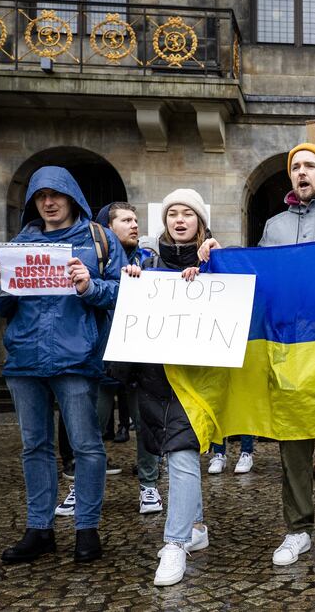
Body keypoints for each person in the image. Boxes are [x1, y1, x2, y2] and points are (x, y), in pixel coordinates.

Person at [198, 143, 315, 565]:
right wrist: (218, 258)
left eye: (309, 165)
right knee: (293, 445)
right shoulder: (275, 226)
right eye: (295, 167)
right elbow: (257, 278)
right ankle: (297, 530)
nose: (300, 172)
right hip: (287, 350)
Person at [0, 166, 126, 564]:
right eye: (40, 196)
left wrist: (90, 286)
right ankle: (39, 529)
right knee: (35, 447)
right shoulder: (19, 245)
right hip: (25, 358)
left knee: (86, 446)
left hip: (76, 357)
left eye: (55, 194)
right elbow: (4, 307)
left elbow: (123, 292)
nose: (48, 202)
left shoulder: (99, 240)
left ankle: (86, 528)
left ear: (71, 196)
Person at [125, 188, 213, 586]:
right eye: (172, 213)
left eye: (187, 213)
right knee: (174, 452)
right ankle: (196, 526)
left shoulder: (214, 258)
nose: (179, 220)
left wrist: (210, 270)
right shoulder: (146, 263)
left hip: (195, 380)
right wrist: (133, 284)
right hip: (156, 377)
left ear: (200, 221)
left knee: (180, 452)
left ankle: (175, 543)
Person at [98, 202, 164, 515]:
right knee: (91, 427)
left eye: (135, 220)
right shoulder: (94, 260)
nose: (135, 225)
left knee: (146, 424)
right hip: (101, 355)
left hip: (140, 356)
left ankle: (149, 485)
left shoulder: (148, 259)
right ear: (107, 228)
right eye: (126, 220)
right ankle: (82, 487)